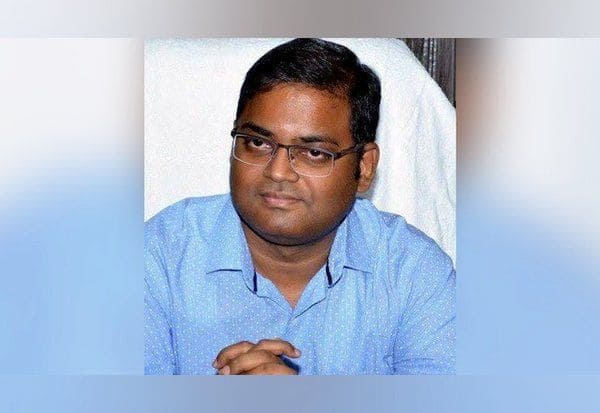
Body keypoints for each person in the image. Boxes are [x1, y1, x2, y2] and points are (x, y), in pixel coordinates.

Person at [145, 38, 455, 375]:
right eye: (258, 143)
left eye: (314, 153)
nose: (278, 172)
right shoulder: (159, 256)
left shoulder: (414, 273)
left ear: (364, 167)